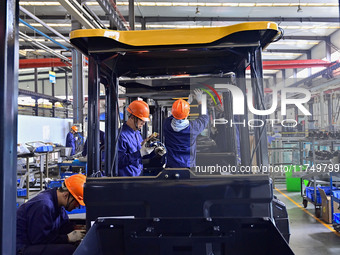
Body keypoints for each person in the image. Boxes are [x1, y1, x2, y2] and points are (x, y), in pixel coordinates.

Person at [16, 174, 86, 255]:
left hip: (36, 243)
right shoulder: (44, 205)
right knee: (70, 250)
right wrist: (67, 238)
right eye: (76, 202)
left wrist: (78, 228)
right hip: (24, 248)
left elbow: (63, 226)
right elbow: (40, 239)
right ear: (66, 195)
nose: (77, 206)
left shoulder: (57, 202)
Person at [163, 89, 209, 168]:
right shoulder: (193, 128)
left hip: (171, 166)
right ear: (188, 113)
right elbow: (204, 118)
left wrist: (186, 104)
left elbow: (175, 115)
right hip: (188, 167)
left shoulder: (167, 124)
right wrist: (200, 101)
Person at [117, 100, 154, 176]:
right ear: (132, 117)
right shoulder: (121, 135)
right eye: (141, 120)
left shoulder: (137, 133)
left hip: (137, 175)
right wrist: (140, 153)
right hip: (126, 179)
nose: (143, 123)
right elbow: (118, 161)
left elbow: (140, 154)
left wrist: (153, 151)